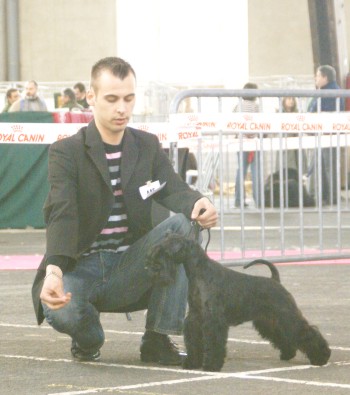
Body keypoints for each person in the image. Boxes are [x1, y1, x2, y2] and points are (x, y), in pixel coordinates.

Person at [32, 56, 217, 365]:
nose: (122, 108)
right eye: (112, 99)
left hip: (132, 264)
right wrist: (54, 271)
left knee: (184, 227)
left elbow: (172, 187)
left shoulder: (145, 145)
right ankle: (88, 339)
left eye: (129, 98)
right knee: (61, 311)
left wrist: (197, 203)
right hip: (81, 267)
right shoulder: (66, 153)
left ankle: (157, 340)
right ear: (91, 98)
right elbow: (62, 213)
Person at [307, 65, 344, 205]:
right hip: (325, 135)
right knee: (325, 166)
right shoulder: (330, 90)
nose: (315, 78)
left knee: (328, 167)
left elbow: (314, 110)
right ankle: (328, 196)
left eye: (317, 75)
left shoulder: (328, 93)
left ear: (325, 77)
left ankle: (331, 197)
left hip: (327, 135)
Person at [233, 82, 261, 208]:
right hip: (254, 143)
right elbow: (261, 124)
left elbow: (231, 122)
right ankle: (259, 200)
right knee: (256, 172)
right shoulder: (256, 107)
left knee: (241, 171)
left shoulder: (238, 106)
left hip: (241, 143)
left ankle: (239, 200)